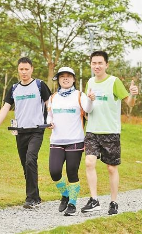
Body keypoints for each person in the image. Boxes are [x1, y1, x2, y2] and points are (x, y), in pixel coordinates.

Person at [81, 51, 138, 215]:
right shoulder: (90, 82)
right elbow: (87, 107)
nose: (97, 66)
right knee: (89, 163)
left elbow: (129, 103)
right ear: (91, 64)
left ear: (106, 64)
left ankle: (113, 202)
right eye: (94, 63)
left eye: (100, 63)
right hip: (92, 130)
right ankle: (94, 200)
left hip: (110, 132)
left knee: (111, 169)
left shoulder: (114, 82)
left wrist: (133, 95)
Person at [0, 57, 51, 209]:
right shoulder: (14, 88)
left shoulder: (39, 85)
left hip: (36, 130)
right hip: (20, 131)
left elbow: (49, 104)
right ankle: (35, 196)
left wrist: (51, 120)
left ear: (32, 69)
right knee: (26, 165)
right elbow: (5, 107)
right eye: (21, 69)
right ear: (18, 70)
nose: (24, 72)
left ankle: (30, 198)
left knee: (31, 159)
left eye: (26, 69)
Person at [46, 67, 95, 216]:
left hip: (75, 140)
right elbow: (50, 116)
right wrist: (49, 123)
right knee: (54, 171)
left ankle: (72, 204)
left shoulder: (80, 95)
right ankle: (65, 195)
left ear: (73, 79)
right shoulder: (53, 97)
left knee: (72, 172)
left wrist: (91, 100)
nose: (65, 79)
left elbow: (89, 109)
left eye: (68, 76)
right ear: (58, 80)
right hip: (56, 140)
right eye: (62, 77)